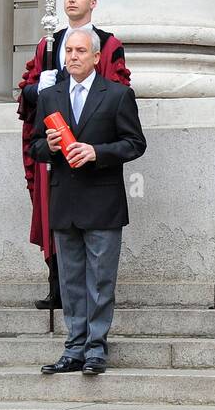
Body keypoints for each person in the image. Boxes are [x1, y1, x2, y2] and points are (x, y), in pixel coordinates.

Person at [30, 27, 146, 375]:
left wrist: (97, 152)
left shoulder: (117, 95)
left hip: (103, 203)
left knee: (100, 280)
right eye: (69, 52)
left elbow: (135, 143)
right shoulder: (50, 96)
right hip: (64, 202)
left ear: (97, 57)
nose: (74, 57)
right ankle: (73, 348)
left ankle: (96, 348)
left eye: (81, 51)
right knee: (70, 281)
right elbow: (35, 145)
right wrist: (48, 147)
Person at [18, 0, 130, 309]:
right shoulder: (48, 44)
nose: (71, 0)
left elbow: (116, 90)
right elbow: (26, 94)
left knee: (94, 246)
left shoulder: (107, 45)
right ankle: (57, 286)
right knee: (53, 216)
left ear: (92, 2)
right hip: (54, 150)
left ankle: (91, 323)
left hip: (91, 153)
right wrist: (38, 88)